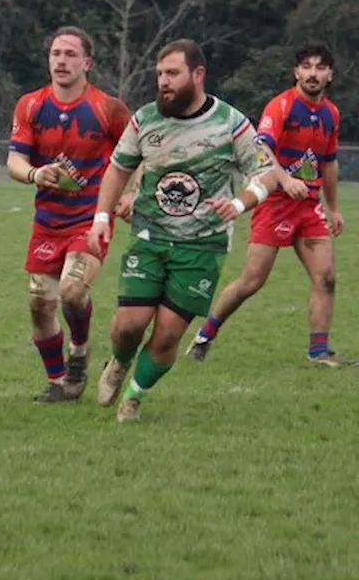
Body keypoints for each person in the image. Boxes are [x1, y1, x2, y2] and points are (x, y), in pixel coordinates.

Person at [87, 39, 280, 423]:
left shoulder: (231, 123)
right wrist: (102, 218)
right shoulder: (145, 119)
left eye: (172, 74)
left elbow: (266, 173)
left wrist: (239, 203)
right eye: (160, 74)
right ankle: (119, 361)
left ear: (198, 74)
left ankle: (134, 398)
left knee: (167, 336)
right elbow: (118, 169)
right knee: (129, 326)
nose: (163, 82)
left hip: (203, 245)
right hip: (150, 236)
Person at [186, 44, 343, 366]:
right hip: (274, 203)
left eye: (320, 67)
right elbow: (261, 151)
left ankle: (319, 353)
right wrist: (285, 180)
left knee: (326, 277)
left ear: (330, 75)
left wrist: (334, 207)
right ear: (296, 72)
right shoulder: (281, 106)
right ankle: (205, 334)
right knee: (252, 281)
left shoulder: (331, 113)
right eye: (307, 67)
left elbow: (329, 162)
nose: (313, 73)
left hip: (309, 206)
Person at [6, 26, 133, 403]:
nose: (61, 61)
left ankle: (79, 350)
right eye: (55, 54)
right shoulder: (31, 105)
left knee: (72, 290)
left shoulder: (107, 108)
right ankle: (59, 381)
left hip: (91, 219)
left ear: (87, 63)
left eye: (70, 54)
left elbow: (137, 153)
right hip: (47, 223)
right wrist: (34, 173)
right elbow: (14, 159)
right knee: (38, 303)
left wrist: (131, 193)